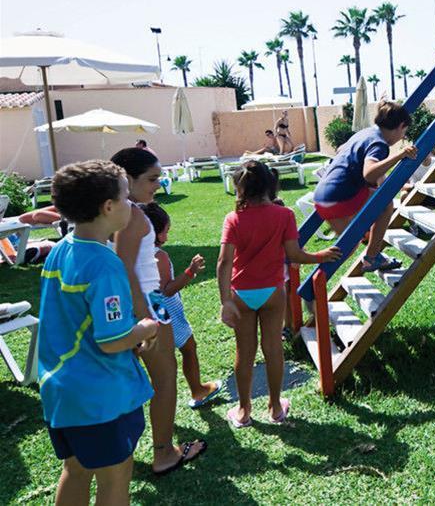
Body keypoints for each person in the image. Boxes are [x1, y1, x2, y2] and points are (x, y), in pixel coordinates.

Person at [38, 160, 159, 505]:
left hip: (62, 391)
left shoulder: (60, 251)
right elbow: (111, 341)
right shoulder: (106, 264)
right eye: (126, 198)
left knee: (75, 470)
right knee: (116, 476)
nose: (131, 206)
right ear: (108, 207)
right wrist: (144, 329)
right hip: (100, 398)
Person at [218, 160, 340, 427]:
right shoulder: (284, 215)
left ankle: (243, 411)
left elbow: (224, 262)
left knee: (244, 351)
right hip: (272, 292)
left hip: (241, 294)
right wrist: (321, 255)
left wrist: (225, 300)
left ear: (240, 188)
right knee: (273, 349)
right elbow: (294, 254)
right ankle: (275, 408)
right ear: (270, 185)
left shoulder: (233, 219)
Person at [110, 147, 207, 476]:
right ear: (127, 179)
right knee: (164, 379)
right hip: (148, 305)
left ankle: (120, 449)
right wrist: (144, 319)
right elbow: (125, 271)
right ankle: (164, 453)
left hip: (134, 306)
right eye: (152, 179)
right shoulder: (133, 214)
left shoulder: (112, 212)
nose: (158, 184)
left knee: (127, 379)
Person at [311, 100, 417, 273]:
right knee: (385, 204)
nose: (402, 137)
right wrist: (400, 155)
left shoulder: (365, 133)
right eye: (404, 132)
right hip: (340, 197)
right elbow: (369, 173)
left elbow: (341, 150)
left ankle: (314, 275)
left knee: (348, 247)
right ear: (400, 126)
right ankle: (372, 257)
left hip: (322, 197)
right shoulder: (380, 144)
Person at [139, 202, 222, 409]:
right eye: (165, 231)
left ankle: (156, 401)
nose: (167, 237)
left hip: (146, 312)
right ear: (154, 233)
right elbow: (167, 289)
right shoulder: (159, 256)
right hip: (166, 312)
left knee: (157, 364)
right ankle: (198, 390)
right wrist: (190, 272)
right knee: (189, 348)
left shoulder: (133, 255)